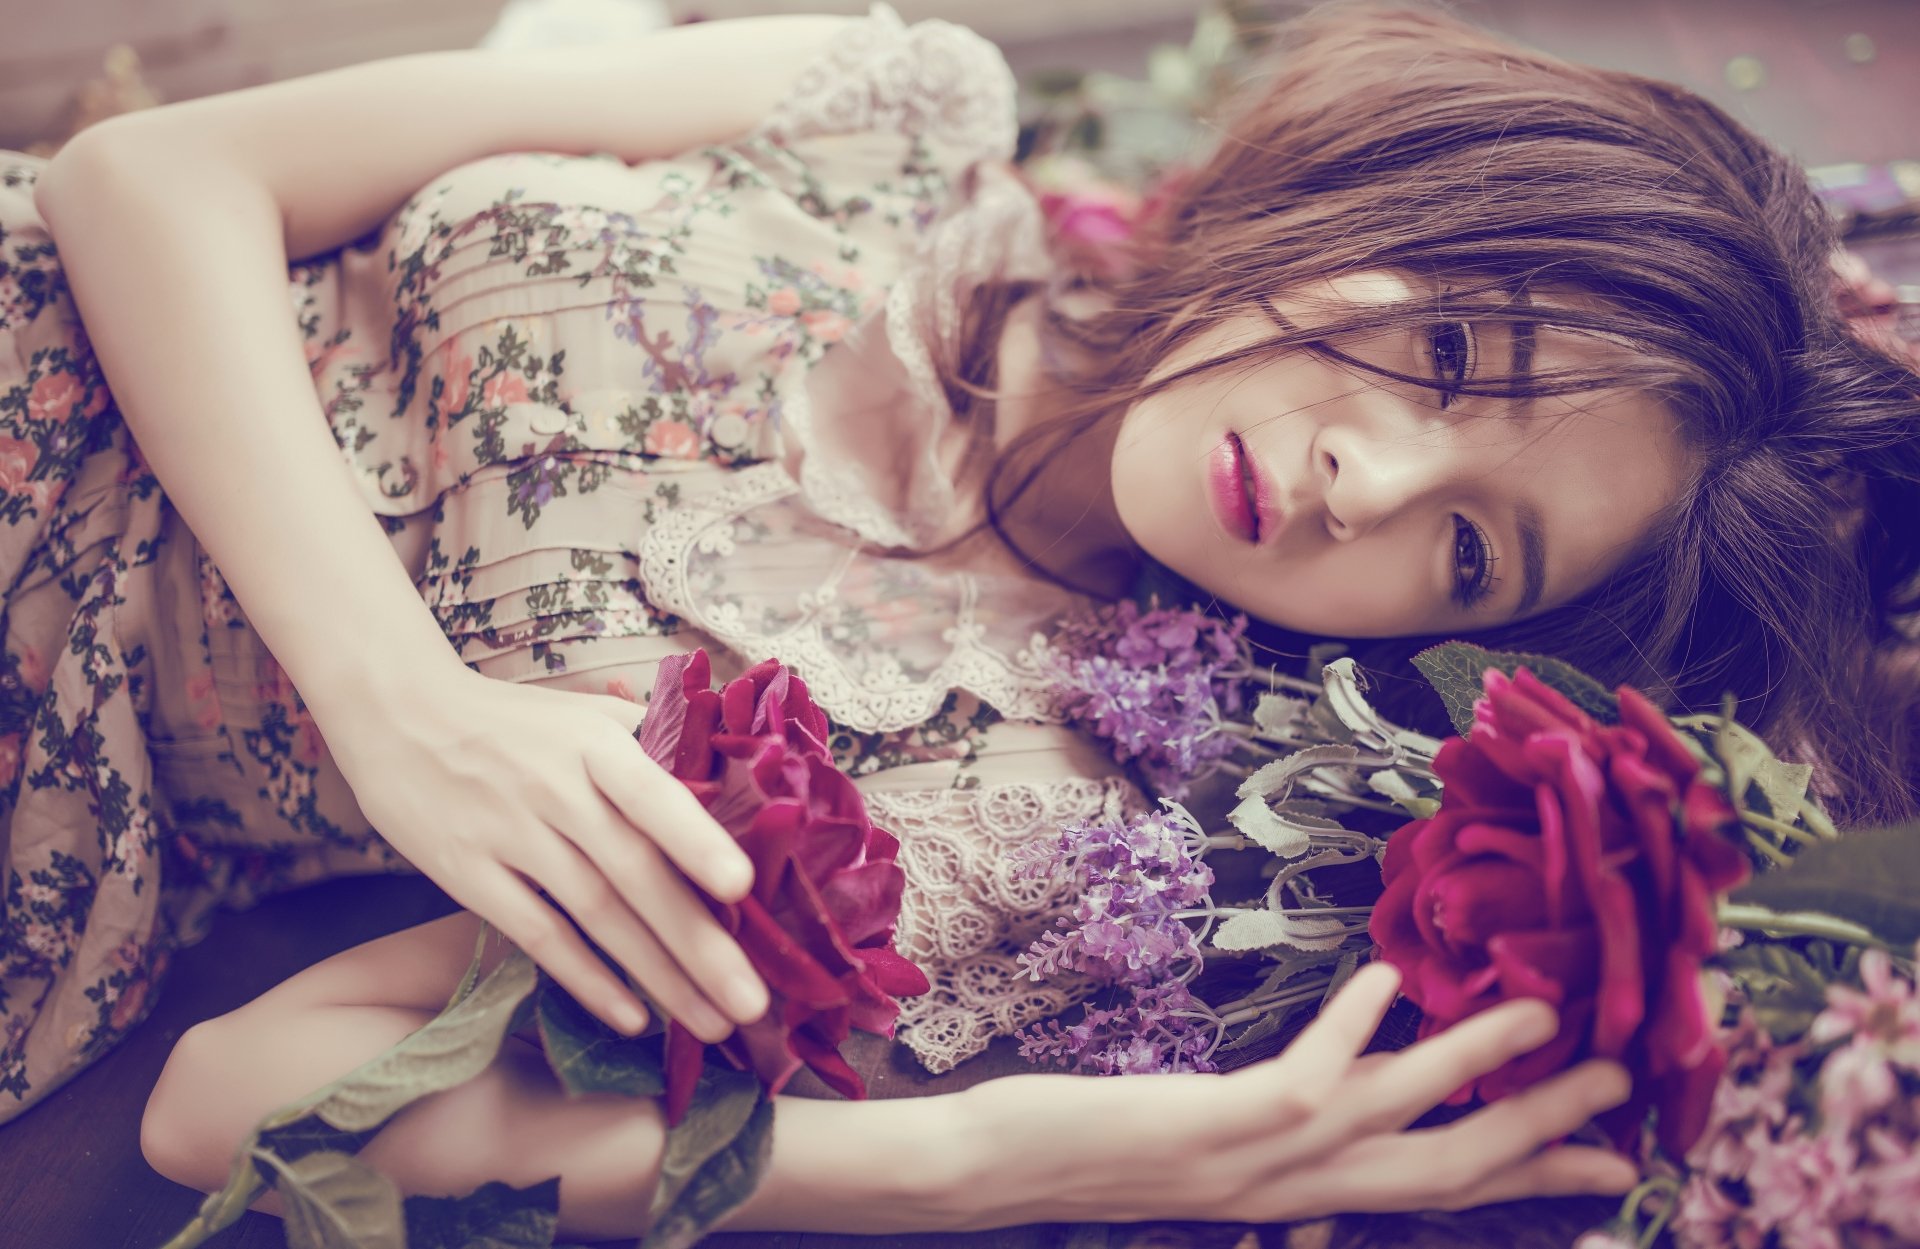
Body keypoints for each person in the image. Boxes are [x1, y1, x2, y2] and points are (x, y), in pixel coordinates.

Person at [2, 0, 1914, 1235]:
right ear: (1391, 188)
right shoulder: (901, 111)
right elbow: (150, 171)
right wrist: (400, 699)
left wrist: (968, 1161)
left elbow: (222, 1100)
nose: (1375, 483)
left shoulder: (989, 803)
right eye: (1444, 353)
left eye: (1474, 554)